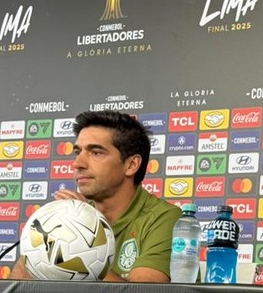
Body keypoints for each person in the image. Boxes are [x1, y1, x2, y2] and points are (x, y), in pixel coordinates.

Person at [10, 110, 180, 282]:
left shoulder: (165, 218)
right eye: (78, 152)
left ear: (131, 165)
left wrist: (82, 235)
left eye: (96, 152)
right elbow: (13, 292)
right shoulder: (68, 218)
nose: (77, 163)